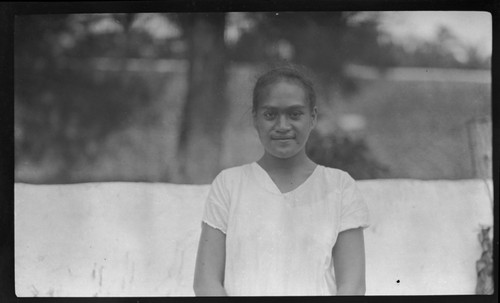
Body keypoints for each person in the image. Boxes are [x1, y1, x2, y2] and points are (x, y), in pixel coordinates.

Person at [193, 66, 370, 296]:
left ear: (313, 117)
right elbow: (206, 283)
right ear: (255, 118)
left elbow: (353, 287)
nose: (283, 126)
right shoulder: (229, 185)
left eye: (295, 114)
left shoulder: (340, 187)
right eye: (270, 115)